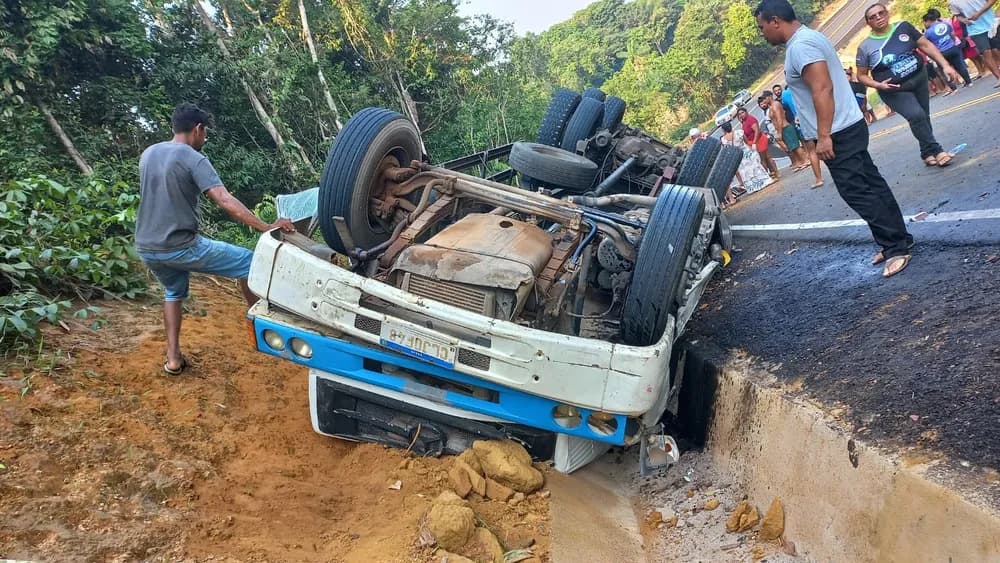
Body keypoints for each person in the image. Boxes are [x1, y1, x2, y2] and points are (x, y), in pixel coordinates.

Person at [754, 0, 915, 278]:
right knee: (871, 184)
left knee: (858, 191)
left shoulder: (802, 46)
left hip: (838, 131)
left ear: (775, 21)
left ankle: (896, 247)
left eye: (762, 27)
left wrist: (824, 136)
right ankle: (896, 240)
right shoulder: (807, 38)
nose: (762, 33)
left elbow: (822, 88)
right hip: (846, 125)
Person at [136, 103, 295, 375]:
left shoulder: (149, 153)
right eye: (205, 132)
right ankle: (261, 325)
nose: (205, 138)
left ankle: (173, 359)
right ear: (198, 129)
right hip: (182, 246)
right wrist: (266, 226)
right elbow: (224, 199)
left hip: (147, 247)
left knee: (174, 291)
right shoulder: (193, 158)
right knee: (250, 263)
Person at [856, 3, 961, 167]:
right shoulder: (865, 47)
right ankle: (937, 150)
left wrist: (945, 65)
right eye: (873, 17)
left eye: (881, 13)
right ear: (868, 23)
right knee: (916, 115)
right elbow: (861, 75)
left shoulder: (903, 27)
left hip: (919, 78)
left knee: (923, 117)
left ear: (887, 13)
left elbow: (925, 45)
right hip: (894, 90)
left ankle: (926, 152)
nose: (878, 18)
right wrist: (878, 85)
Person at [759, 92, 825, 188]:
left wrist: (780, 132)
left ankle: (806, 160)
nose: (764, 101)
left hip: (785, 127)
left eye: (765, 98)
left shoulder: (775, 105)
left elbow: (779, 119)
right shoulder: (770, 107)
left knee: (795, 146)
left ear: (769, 97)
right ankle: (801, 161)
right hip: (781, 129)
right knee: (791, 147)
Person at [773, 83, 824, 184]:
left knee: (808, 146)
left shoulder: (786, 94)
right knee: (810, 142)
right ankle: (813, 166)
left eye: (779, 89)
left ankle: (818, 177)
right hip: (807, 117)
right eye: (776, 90)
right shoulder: (802, 88)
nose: (778, 91)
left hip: (798, 120)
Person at [950, 0, 1000, 86]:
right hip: (975, 30)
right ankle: (998, 77)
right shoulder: (953, 2)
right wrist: (964, 20)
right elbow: (958, 16)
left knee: (996, 50)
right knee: (986, 52)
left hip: (991, 24)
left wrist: (979, 13)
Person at [720, 121, 773, 201]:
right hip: (746, 152)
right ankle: (764, 181)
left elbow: (727, 150)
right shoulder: (739, 132)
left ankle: (751, 187)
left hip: (737, 156)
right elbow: (746, 141)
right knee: (754, 167)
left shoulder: (723, 139)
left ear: (723, 130)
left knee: (744, 172)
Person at [924, 9, 974, 86]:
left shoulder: (928, 32)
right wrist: (952, 43)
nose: (924, 24)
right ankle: (969, 82)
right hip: (952, 47)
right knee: (960, 65)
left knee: (943, 69)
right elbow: (953, 35)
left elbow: (928, 44)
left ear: (928, 21)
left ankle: (953, 88)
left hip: (941, 52)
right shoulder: (945, 24)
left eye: (924, 22)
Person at [736, 106, 780, 179]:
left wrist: (754, 143)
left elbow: (757, 131)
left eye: (742, 112)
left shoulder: (751, 119)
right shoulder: (744, 121)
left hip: (759, 140)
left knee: (764, 159)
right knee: (764, 158)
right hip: (753, 141)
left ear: (746, 112)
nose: (741, 115)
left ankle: (771, 174)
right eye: (739, 114)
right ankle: (772, 172)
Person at [951, 12, 990, 77]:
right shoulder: (952, 18)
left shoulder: (962, 15)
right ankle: (980, 70)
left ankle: (987, 68)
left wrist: (965, 35)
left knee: (978, 54)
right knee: (971, 57)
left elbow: (966, 25)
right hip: (961, 40)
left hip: (967, 37)